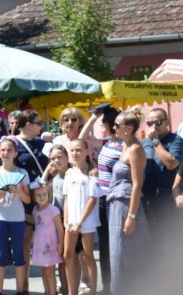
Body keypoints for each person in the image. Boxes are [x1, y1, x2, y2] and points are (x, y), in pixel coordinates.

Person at [78, 105, 121, 295]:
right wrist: (94, 117)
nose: (101, 128)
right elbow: (82, 139)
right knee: (104, 244)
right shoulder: (106, 142)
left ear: (112, 125)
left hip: (117, 200)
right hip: (102, 199)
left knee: (117, 244)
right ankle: (109, 286)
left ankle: (122, 284)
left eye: (103, 124)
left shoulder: (124, 145)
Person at [108, 107, 151, 294]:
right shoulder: (125, 147)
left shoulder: (135, 149)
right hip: (117, 205)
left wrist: (131, 216)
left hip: (127, 206)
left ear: (129, 128)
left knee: (128, 257)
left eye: (117, 125)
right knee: (118, 258)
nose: (114, 128)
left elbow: (137, 185)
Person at [0, 136, 31, 295]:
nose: (6, 152)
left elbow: (28, 199)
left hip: (18, 219)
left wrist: (19, 192)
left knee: (18, 253)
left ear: (16, 153)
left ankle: (20, 290)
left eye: (9, 150)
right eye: (3, 150)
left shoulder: (22, 173)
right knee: (0, 254)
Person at [15, 109, 49, 294]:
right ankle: (24, 286)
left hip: (43, 197)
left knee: (48, 240)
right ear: (28, 124)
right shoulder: (13, 143)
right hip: (25, 197)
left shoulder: (43, 143)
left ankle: (50, 287)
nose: (41, 126)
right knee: (25, 243)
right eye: (38, 122)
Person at [140, 108, 183, 255]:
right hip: (147, 197)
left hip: (167, 198)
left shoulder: (176, 141)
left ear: (167, 122)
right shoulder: (144, 143)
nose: (154, 126)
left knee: (169, 240)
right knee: (152, 239)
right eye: (150, 123)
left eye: (158, 122)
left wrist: (156, 142)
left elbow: (171, 163)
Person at [63, 139, 101, 295]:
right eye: (72, 150)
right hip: (71, 223)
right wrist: (66, 222)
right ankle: (72, 291)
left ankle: (92, 290)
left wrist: (79, 223)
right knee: (68, 255)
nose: (75, 153)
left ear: (87, 151)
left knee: (87, 256)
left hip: (86, 222)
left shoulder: (92, 172)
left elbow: (93, 199)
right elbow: (66, 199)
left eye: (78, 150)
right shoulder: (69, 172)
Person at [41, 145, 71, 295]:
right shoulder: (55, 178)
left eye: (59, 157)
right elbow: (40, 185)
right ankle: (65, 289)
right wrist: (47, 170)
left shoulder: (72, 174)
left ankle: (70, 290)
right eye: (53, 158)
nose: (56, 160)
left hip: (69, 222)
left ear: (67, 157)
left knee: (70, 258)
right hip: (56, 223)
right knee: (61, 258)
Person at [30, 182, 64, 295]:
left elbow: (60, 228)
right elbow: (35, 223)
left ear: (49, 194)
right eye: (38, 195)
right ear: (34, 197)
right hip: (39, 245)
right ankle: (47, 292)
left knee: (50, 271)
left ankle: (52, 292)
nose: (42, 197)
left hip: (50, 244)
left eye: (44, 194)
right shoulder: (35, 210)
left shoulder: (53, 210)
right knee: (43, 271)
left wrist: (61, 243)